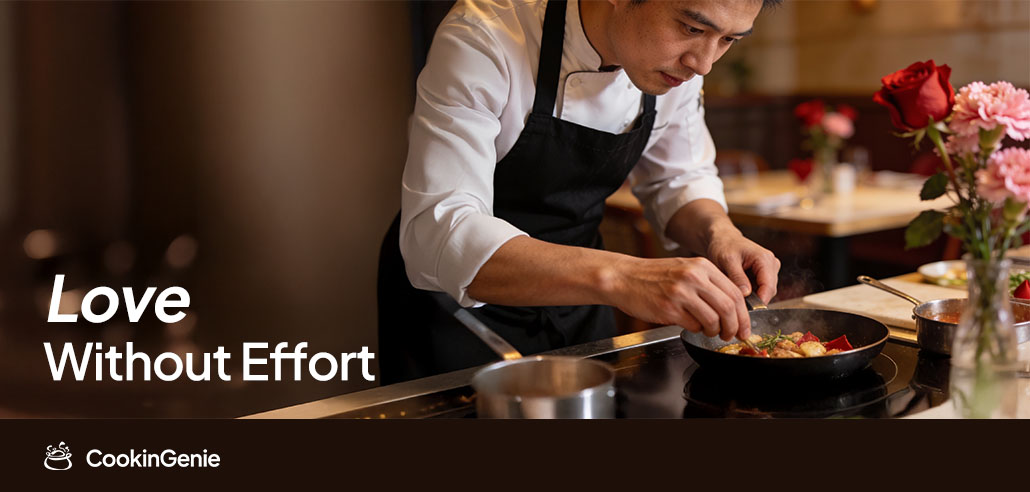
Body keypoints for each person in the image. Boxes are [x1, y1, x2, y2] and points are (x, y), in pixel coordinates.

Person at [378, 0, 782, 383]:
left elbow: (677, 179)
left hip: (582, 305)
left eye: (729, 39)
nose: (704, 63)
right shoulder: (486, 35)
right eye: (692, 27)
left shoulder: (675, 66)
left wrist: (720, 233)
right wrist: (626, 277)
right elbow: (440, 231)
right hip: (456, 312)